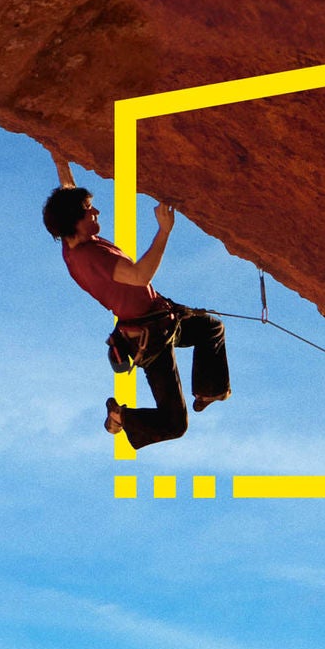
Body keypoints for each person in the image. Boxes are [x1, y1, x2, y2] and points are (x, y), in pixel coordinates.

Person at [43, 150, 228, 449]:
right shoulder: (92, 257)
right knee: (175, 424)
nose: (96, 212)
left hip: (159, 318)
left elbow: (67, 194)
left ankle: (208, 391)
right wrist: (164, 231)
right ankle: (120, 418)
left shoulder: (72, 241)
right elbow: (141, 276)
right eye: (90, 210)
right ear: (75, 222)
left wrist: (59, 159)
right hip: (149, 338)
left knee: (211, 328)